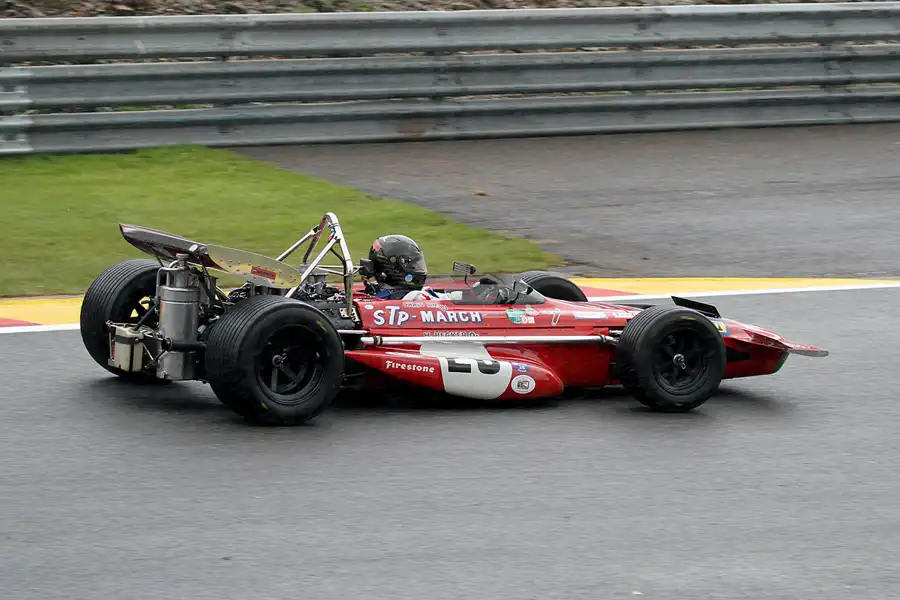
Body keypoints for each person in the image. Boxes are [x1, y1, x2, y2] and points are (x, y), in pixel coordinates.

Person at [366, 234, 459, 300]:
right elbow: (446, 301)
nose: (417, 268)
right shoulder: (414, 297)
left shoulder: (381, 292)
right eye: (413, 266)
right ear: (394, 268)